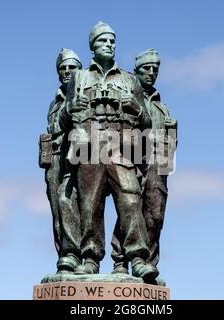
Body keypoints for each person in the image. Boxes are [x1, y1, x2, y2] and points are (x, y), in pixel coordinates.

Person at [60, 22, 158, 281]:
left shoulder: (129, 80)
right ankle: (90, 258)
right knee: (90, 203)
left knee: (130, 198)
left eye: (113, 41)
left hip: (120, 147)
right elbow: (61, 120)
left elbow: (147, 121)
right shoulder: (79, 78)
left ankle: (137, 257)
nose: (110, 45)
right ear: (93, 46)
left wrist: (135, 107)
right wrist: (70, 109)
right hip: (87, 147)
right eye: (104, 41)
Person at [111, 49, 178, 276]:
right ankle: (121, 260)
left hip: (158, 165)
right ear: (137, 71)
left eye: (155, 69)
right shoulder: (128, 97)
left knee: (155, 215)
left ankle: (148, 263)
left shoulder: (162, 107)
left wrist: (172, 132)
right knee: (130, 210)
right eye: (146, 69)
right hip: (132, 159)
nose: (151, 73)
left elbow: (170, 146)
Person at [42, 48, 82, 273]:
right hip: (54, 158)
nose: (67, 72)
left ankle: (78, 256)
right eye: (63, 68)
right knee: (58, 211)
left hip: (78, 156)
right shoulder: (54, 102)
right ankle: (65, 258)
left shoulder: (83, 95)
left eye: (72, 67)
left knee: (75, 205)